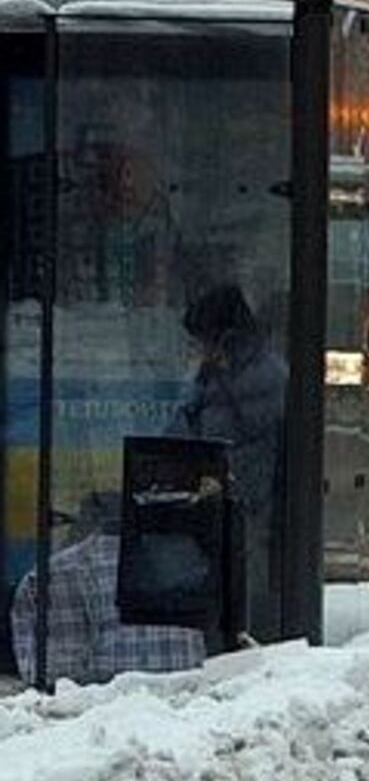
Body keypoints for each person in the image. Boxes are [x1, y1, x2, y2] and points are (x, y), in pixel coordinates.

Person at [170, 285, 288, 640]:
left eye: (204, 340)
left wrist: (219, 380)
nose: (198, 350)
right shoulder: (209, 376)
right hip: (208, 489)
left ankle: (243, 634)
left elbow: (254, 429)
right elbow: (183, 423)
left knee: (244, 568)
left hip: (248, 494)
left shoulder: (265, 373)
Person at [10, 494, 205, 686]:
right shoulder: (194, 569)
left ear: (89, 522)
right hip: (188, 707)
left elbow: (41, 677)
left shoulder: (44, 579)